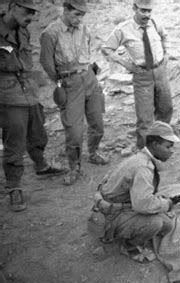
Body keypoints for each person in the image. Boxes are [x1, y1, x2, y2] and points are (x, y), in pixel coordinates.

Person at [1, 0, 66, 212]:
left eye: (33, 13)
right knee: (15, 140)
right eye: (27, 11)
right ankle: (14, 187)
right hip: (7, 95)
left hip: (28, 90)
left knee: (37, 132)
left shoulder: (23, 31)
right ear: (12, 6)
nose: (30, 17)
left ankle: (41, 165)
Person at [40, 0, 108, 186]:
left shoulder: (84, 29)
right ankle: (74, 166)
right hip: (70, 83)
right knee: (74, 130)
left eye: (82, 15)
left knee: (97, 123)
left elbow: (87, 52)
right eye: (76, 14)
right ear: (66, 9)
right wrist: (63, 80)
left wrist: (90, 75)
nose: (80, 19)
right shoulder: (50, 33)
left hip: (89, 78)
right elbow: (47, 64)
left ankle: (93, 153)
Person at [91, 121, 180, 263]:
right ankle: (129, 246)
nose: (171, 151)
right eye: (168, 146)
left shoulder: (141, 157)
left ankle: (132, 229)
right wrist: (167, 204)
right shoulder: (143, 168)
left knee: (167, 226)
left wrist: (161, 202)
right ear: (155, 145)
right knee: (155, 224)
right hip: (108, 216)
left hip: (118, 206)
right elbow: (143, 205)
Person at [101, 0, 172, 149]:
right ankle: (144, 152)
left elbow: (165, 36)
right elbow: (107, 49)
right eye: (143, 10)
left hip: (160, 72)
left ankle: (161, 143)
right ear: (134, 8)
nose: (147, 14)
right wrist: (126, 64)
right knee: (145, 118)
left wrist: (166, 54)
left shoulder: (155, 22)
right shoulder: (123, 29)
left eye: (149, 11)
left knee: (165, 109)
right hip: (142, 76)